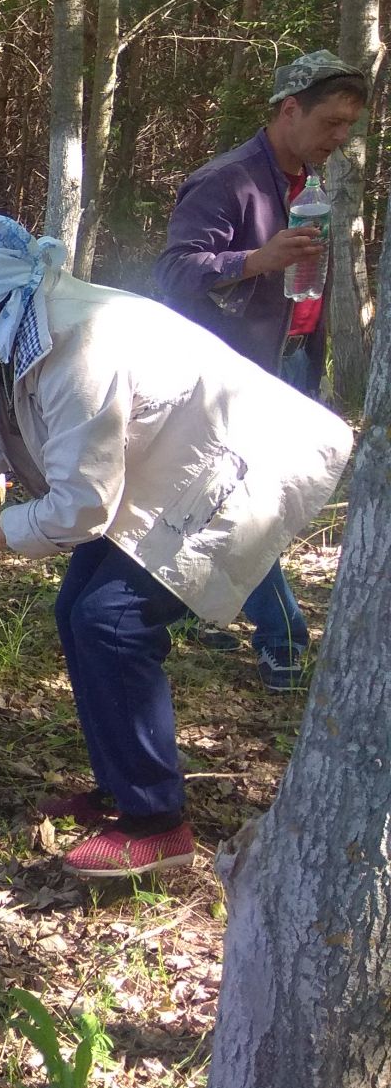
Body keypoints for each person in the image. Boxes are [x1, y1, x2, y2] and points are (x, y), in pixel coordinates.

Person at [0, 215, 351, 878]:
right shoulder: (11, 332)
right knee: (75, 612)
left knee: (110, 621)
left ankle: (157, 822)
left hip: (233, 466)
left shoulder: (76, 350)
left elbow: (81, 508)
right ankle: (123, 784)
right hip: (155, 470)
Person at [154, 49, 368, 691]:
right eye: (330, 122)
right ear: (288, 109)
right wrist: (254, 260)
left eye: (347, 127)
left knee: (244, 500)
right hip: (234, 374)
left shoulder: (310, 181)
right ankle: (284, 641)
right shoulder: (228, 179)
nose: (339, 138)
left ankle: (199, 612)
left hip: (292, 361)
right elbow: (173, 272)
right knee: (256, 506)